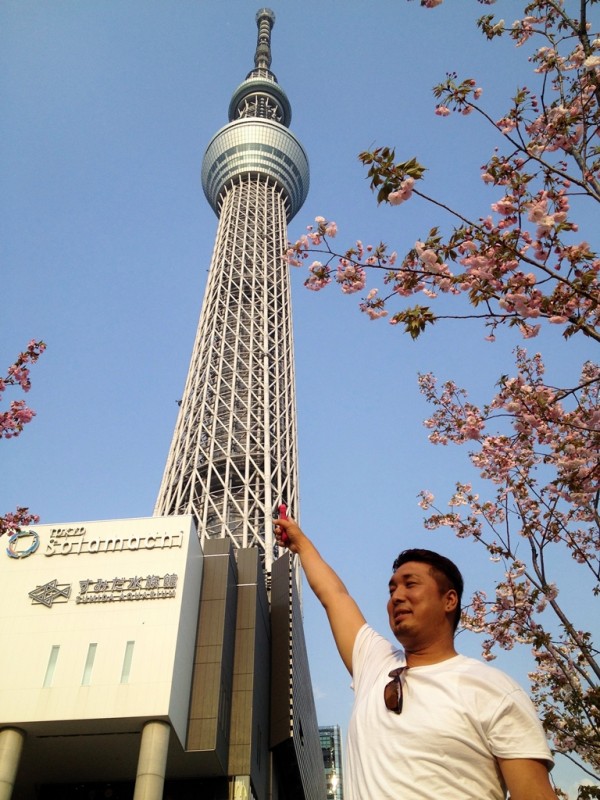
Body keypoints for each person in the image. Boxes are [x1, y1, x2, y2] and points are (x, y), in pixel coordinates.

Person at [274, 517, 558, 800]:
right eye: (392, 589)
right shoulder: (375, 662)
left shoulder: (494, 690)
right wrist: (302, 544)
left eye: (410, 585)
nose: (397, 596)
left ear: (449, 600)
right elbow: (335, 596)